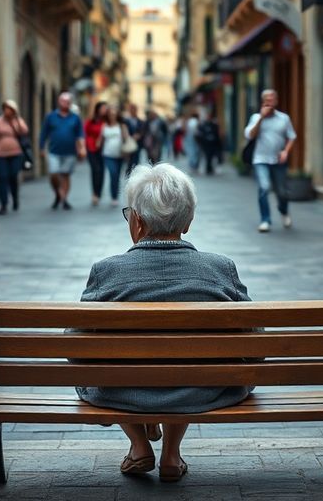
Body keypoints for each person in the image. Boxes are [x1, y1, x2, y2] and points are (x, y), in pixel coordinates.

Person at [78, 163, 252, 482]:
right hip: (200, 391)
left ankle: (139, 446)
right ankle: (171, 455)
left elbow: (75, 347)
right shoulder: (220, 269)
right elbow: (256, 345)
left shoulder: (107, 272)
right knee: (185, 367)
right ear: (188, 221)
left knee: (105, 370)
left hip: (124, 392)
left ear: (137, 221)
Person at [244, 89, 297, 232]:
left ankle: (284, 211)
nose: (270, 102)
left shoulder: (283, 118)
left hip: (278, 160)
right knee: (264, 187)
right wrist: (261, 118)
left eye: (272, 99)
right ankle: (265, 220)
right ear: (263, 101)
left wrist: (285, 151)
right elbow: (250, 135)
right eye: (267, 99)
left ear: (276, 101)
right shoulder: (256, 118)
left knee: (282, 192)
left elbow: (292, 136)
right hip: (260, 159)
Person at [39, 92, 86, 210]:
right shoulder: (50, 117)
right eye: (63, 101)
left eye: (67, 101)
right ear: (58, 102)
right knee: (53, 173)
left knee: (65, 175)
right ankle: (58, 194)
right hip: (53, 151)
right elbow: (44, 133)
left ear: (70, 103)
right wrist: (41, 147)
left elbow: (80, 135)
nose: (65, 103)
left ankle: (64, 199)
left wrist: (82, 149)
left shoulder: (75, 118)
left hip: (70, 152)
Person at [0, 99, 29, 215]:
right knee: (2, 177)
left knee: (13, 176)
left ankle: (15, 198)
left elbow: (25, 131)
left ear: (14, 110)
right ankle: (3, 204)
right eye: (5, 108)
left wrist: (17, 119)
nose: (7, 111)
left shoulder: (17, 121)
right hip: (1, 154)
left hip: (16, 153)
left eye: (10, 109)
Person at [98, 106, 129, 207]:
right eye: (110, 114)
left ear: (117, 115)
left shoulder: (122, 125)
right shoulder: (104, 125)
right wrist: (97, 144)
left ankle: (115, 195)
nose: (112, 116)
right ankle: (113, 196)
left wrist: (125, 136)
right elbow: (100, 139)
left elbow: (126, 139)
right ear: (108, 115)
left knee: (117, 176)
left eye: (114, 114)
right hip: (108, 154)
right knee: (113, 173)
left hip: (120, 155)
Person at [84, 101, 107, 206]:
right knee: (95, 170)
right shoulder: (91, 121)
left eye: (106, 108)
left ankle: (98, 193)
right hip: (91, 148)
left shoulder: (107, 121)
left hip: (104, 149)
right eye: (103, 108)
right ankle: (95, 193)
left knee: (101, 171)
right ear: (97, 109)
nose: (105, 110)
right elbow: (84, 133)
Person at [123, 103, 143, 175]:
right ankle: (129, 174)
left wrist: (139, 135)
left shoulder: (140, 121)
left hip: (137, 144)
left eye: (134, 109)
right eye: (131, 109)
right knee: (129, 162)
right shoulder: (125, 121)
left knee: (136, 160)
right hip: (128, 143)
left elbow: (143, 131)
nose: (133, 111)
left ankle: (135, 174)